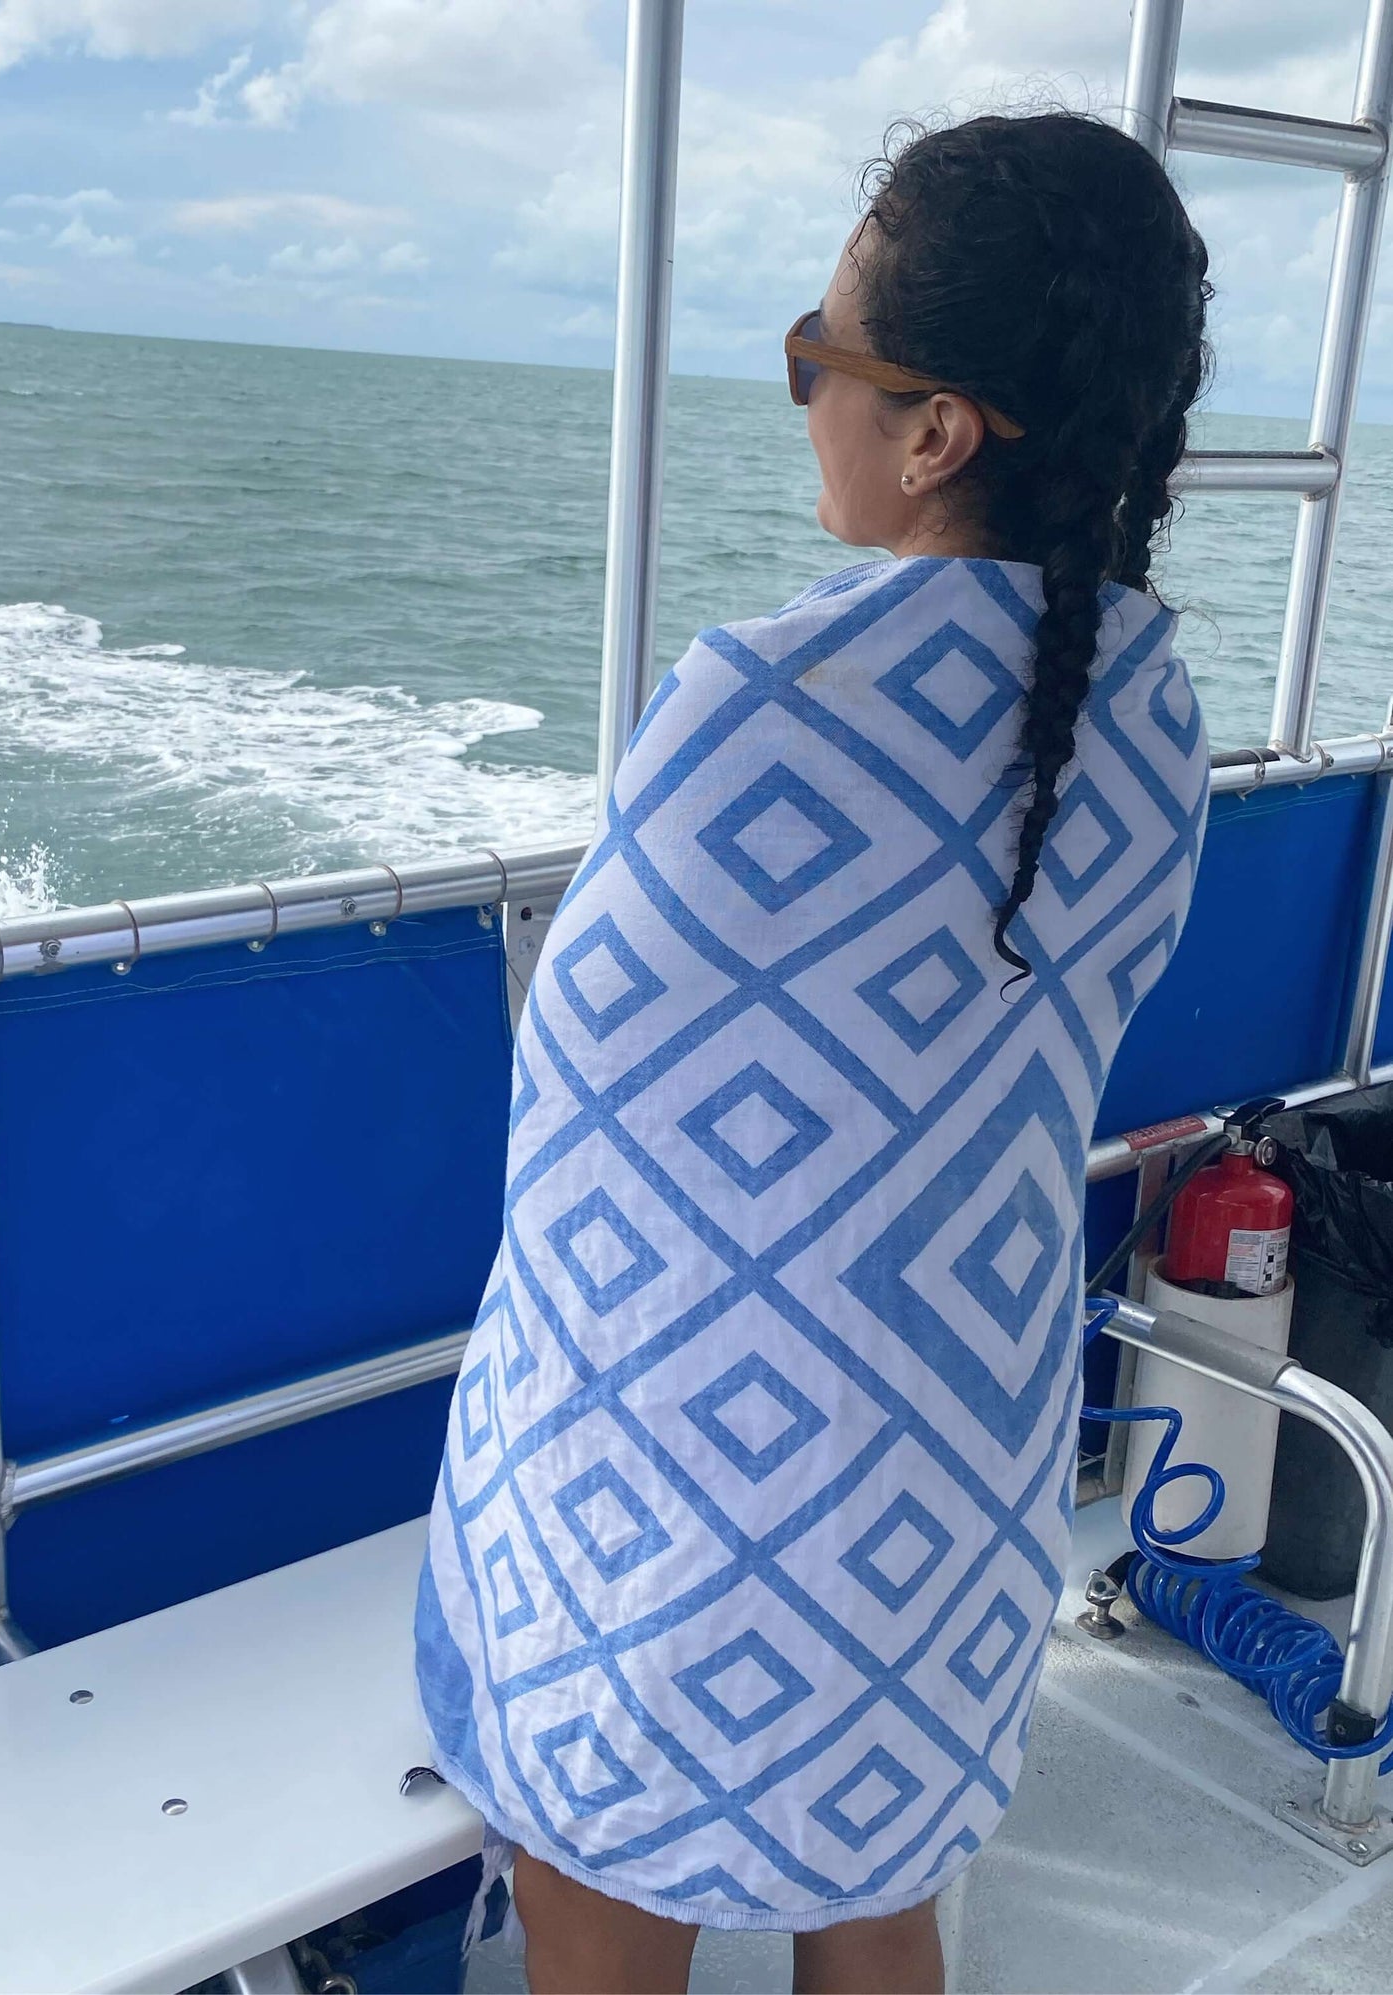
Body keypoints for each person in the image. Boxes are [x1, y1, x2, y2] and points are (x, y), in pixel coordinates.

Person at [414, 111, 1213, 1994]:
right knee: (877, 1885)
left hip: (685, 1511)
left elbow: (584, 1135)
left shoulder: (755, 705)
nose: (801, 402)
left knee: (606, 1855)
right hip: (944, 1479)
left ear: (933, 430)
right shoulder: (1145, 708)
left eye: (814, 360)